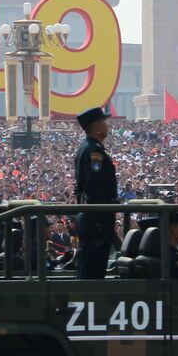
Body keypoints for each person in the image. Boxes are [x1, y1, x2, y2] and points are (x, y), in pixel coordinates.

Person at [74, 107, 118, 280]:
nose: (107, 125)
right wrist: (100, 216)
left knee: (92, 262)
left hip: (92, 214)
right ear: (96, 127)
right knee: (94, 264)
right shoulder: (94, 151)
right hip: (97, 216)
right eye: (103, 122)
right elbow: (94, 185)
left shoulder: (89, 148)